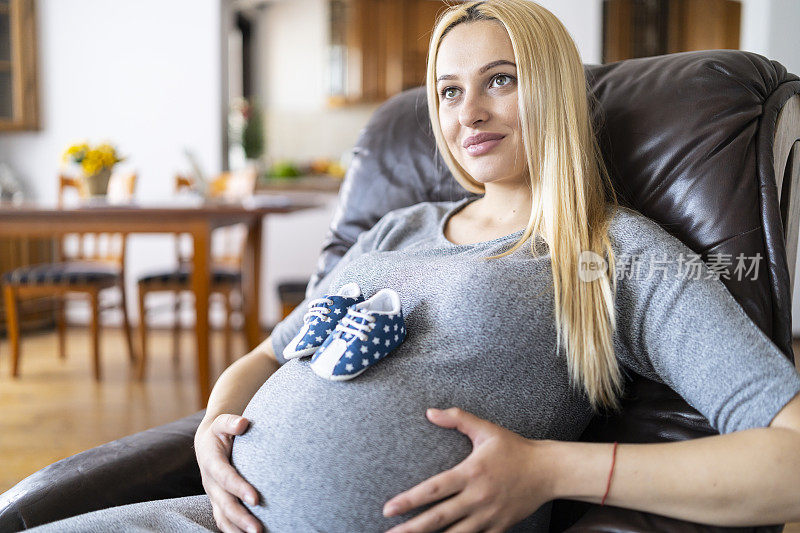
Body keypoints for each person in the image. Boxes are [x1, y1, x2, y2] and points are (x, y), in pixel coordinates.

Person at [26, 1, 800, 532]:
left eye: (500, 79)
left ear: (556, 89)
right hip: (215, 515)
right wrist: (210, 435)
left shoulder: (610, 250)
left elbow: (790, 459)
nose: (469, 112)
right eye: (450, 90)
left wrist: (550, 470)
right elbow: (266, 355)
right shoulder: (399, 226)